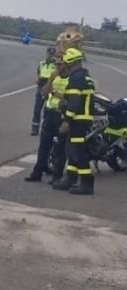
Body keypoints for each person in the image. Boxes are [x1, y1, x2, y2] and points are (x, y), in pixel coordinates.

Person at [52, 47, 96, 195]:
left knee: (78, 151)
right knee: (72, 150)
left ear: (70, 63)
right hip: (83, 118)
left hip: (78, 120)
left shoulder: (76, 79)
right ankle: (70, 179)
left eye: (65, 62)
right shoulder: (85, 77)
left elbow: (75, 103)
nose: (64, 65)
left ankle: (86, 183)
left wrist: (66, 120)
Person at [24, 52, 68, 183]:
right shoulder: (54, 76)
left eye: (60, 64)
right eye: (56, 63)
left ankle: (57, 176)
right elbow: (44, 92)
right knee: (44, 146)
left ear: (66, 64)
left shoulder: (71, 79)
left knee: (60, 148)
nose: (57, 66)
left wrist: (54, 92)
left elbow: (69, 97)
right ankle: (37, 172)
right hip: (49, 113)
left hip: (62, 115)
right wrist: (51, 80)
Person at [31, 46, 58, 136]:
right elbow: (38, 72)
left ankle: (45, 128)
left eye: (52, 54)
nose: (50, 56)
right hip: (41, 86)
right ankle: (34, 128)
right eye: (49, 54)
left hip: (51, 88)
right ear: (46, 54)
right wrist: (38, 79)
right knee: (37, 109)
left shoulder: (56, 65)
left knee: (48, 109)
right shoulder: (42, 63)